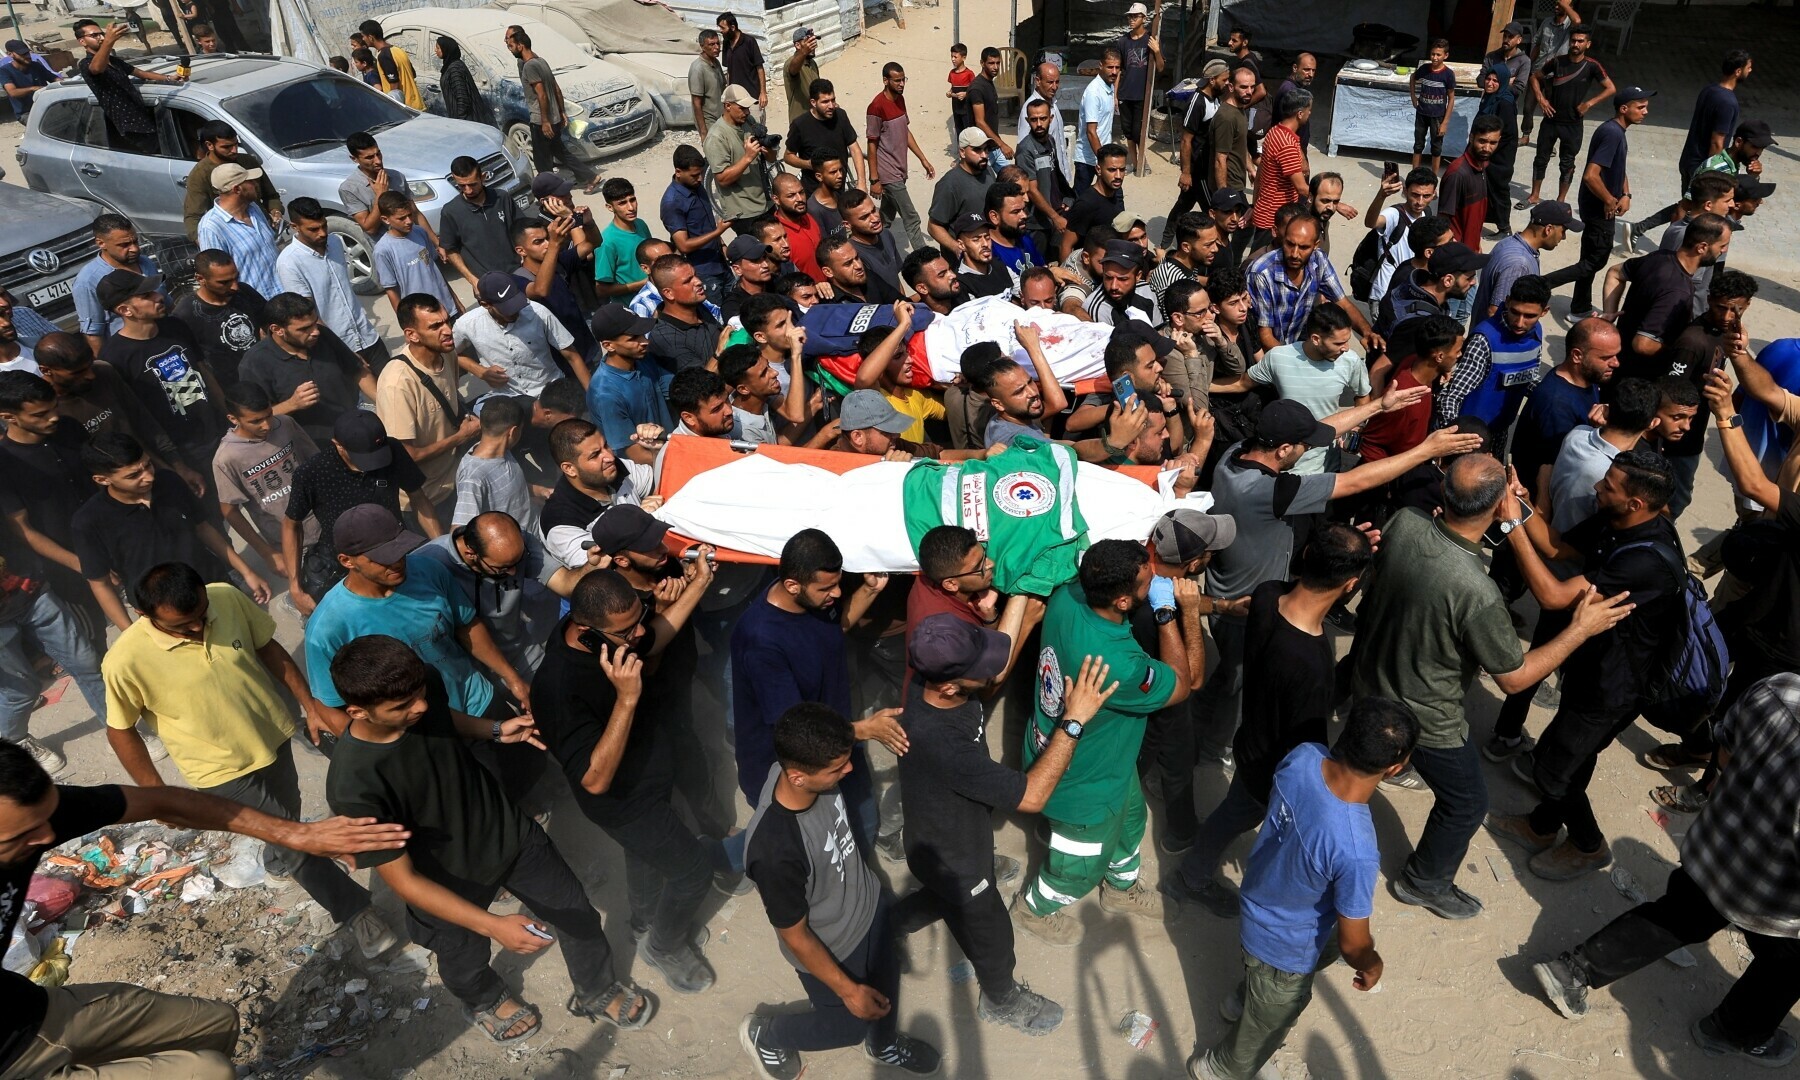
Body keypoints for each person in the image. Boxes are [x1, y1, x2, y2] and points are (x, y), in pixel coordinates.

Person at [0, 738, 406, 1080]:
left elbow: (164, 802)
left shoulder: (32, 818)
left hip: (35, 1012)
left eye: (48, 818)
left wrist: (295, 834)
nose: (49, 836)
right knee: (208, 1072)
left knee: (214, 1025)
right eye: (23, 835)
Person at [324, 633, 652, 1043]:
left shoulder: (421, 686)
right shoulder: (354, 785)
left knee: (576, 912)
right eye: (402, 707)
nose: (420, 706)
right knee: (464, 954)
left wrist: (493, 729)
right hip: (446, 879)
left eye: (420, 694)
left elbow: (441, 715)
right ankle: (483, 999)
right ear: (358, 711)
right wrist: (492, 925)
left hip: (509, 835)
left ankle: (597, 988)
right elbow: (404, 880)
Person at [1352, 454, 1633, 919]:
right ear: (1501, 501)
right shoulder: (1477, 592)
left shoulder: (1404, 522)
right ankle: (1424, 882)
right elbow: (1515, 677)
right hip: (1427, 716)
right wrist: (1579, 629)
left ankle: (1388, 769)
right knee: (1466, 803)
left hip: (1373, 680)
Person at [104, 561, 400, 956]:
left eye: (201, 616)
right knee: (294, 837)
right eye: (182, 625)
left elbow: (268, 648)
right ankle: (355, 910)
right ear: (143, 615)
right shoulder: (125, 660)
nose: (196, 628)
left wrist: (308, 705)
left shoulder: (226, 597)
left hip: (272, 736)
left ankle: (277, 861)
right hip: (218, 770)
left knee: (286, 816)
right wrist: (153, 792)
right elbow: (120, 730)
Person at [1528, 670, 1800, 1065]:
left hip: (1717, 847)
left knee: (1677, 915)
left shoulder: (1783, 689)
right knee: (1788, 963)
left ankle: (1572, 971)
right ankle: (1733, 1030)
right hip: (1773, 899)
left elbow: (1723, 753)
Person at [1195, 399, 1482, 767]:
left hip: (1227, 585)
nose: (1310, 448)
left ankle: (1206, 717)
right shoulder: (1273, 490)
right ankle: (1214, 746)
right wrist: (1427, 450)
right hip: (1244, 606)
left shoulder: (1236, 454)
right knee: (1238, 681)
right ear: (1284, 449)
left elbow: (1323, 429)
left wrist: (1379, 404)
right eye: (1303, 445)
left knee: (1230, 676)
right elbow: (1356, 480)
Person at [892, 614, 1110, 1035]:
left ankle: (892, 925)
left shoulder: (927, 679)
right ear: (953, 685)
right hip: (957, 857)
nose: (992, 671)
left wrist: (1023, 598)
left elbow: (996, 663)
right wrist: (1074, 719)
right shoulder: (942, 743)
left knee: (947, 894)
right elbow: (1032, 796)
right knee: (991, 933)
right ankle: (1000, 998)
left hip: (941, 833)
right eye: (981, 668)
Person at [1183, 699, 1419, 1080]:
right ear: (1394, 768)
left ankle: (1240, 1004)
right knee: (1272, 1018)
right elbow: (1353, 944)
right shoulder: (1356, 849)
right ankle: (1219, 1069)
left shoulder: (1305, 757)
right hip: (1284, 946)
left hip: (1260, 899)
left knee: (1261, 989)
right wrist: (1371, 965)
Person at [531, 559, 726, 995]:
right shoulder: (559, 686)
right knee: (693, 873)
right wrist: (627, 699)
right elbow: (595, 781)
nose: (638, 635)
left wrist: (699, 584)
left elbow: (654, 638)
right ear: (585, 630)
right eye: (626, 632)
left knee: (646, 857)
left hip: (651, 776)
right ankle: (664, 944)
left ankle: (643, 919)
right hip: (622, 801)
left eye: (637, 620)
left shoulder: (617, 634)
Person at [1491, 448, 1683, 880]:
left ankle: (1588, 845)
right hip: (1591, 664)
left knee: (1554, 768)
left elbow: (1554, 596)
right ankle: (1542, 826)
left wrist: (1507, 525)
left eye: (1608, 485)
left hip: (1614, 686)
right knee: (1574, 755)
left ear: (1635, 503)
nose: (1598, 487)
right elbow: (1557, 547)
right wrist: (1520, 505)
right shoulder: (1617, 518)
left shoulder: (1644, 558)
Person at [1166, 525, 1366, 916]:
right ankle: (1192, 876)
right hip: (1270, 769)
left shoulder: (1267, 593)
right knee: (1235, 816)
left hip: (1250, 738)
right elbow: (1306, 747)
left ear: (1306, 556)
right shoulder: (1312, 663)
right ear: (1351, 585)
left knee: (1234, 809)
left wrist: (1340, 548)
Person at [1010, 540, 1199, 944]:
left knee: (1131, 822)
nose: (1155, 576)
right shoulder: (1117, 664)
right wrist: (1170, 616)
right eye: (1149, 579)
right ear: (1124, 601)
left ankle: (1120, 889)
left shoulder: (1068, 594)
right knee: (1077, 863)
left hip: (1102, 762)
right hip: (1082, 780)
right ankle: (1035, 907)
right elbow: (1185, 683)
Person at [740, 702, 940, 1078]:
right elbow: (796, 936)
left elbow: (821, 739)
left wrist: (864, 729)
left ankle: (883, 1044)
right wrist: (848, 991)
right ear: (798, 777)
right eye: (837, 768)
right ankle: (769, 1034)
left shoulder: (798, 759)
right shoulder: (775, 852)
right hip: (833, 945)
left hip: (870, 906)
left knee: (887, 981)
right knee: (847, 1026)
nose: (848, 770)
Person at [730, 530, 901, 837]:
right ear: (792, 585)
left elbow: (835, 630)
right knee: (810, 847)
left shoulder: (813, 602)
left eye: (838, 583)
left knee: (862, 825)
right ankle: (718, 859)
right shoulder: (762, 643)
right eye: (827, 587)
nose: (836, 593)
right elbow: (796, 731)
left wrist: (869, 590)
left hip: (838, 740)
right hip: (796, 768)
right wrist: (865, 729)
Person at [72, 433, 269, 631]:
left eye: (148, 465)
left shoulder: (169, 481)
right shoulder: (89, 522)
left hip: (214, 587)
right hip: (167, 617)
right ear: (102, 479)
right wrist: (129, 633)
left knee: (252, 639)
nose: (149, 476)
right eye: (133, 475)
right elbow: (100, 583)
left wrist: (247, 572)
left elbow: (203, 528)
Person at [282, 411, 442, 612]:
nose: (374, 464)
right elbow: (291, 525)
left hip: (394, 549)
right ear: (338, 445)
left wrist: (439, 547)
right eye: (365, 457)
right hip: (346, 564)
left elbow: (418, 498)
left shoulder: (392, 450)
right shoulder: (312, 473)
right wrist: (295, 587)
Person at [94, 270, 228, 497]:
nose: (157, 297)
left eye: (154, 291)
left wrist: (228, 415)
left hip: (219, 432)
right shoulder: (114, 357)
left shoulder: (174, 326)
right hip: (184, 451)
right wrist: (175, 465)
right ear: (125, 310)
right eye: (146, 295)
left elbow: (203, 371)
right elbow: (136, 418)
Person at [0, 498, 106, 774]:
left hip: (30, 590)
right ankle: (15, 738)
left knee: (86, 662)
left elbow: (17, 522)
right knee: (20, 691)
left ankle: (122, 730)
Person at [1642, 269, 1758, 517]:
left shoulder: (1727, 332)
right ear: (1709, 301)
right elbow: (1668, 392)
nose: (1726, 316)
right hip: (1679, 439)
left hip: (1694, 430)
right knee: (1675, 500)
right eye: (1720, 308)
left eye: (1734, 309)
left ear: (1747, 305)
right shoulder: (1692, 342)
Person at [1548, 86, 1653, 320]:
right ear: (1624, 109)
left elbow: (1617, 166)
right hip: (1598, 210)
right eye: (1641, 107)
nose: (1646, 111)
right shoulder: (1612, 133)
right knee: (1595, 261)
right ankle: (1544, 283)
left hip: (1603, 205)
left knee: (1588, 260)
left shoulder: (1617, 131)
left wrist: (1626, 194)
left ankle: (1579, 308)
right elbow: (1590, 175)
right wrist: (1608, 199)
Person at [1633, 49, 1752, 242]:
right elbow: (1717, 141)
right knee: (1689, 209)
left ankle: (1643, 230)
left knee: (1688, 206)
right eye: (1749, 67)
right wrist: (1715, 173)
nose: (1751, 70)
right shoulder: (1728, 102)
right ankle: (1668, 248)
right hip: (1703, 165)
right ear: (1738, 71)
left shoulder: (1709, 90)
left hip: (1689, 159)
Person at [376, 292, 478, 512]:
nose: (448, 330)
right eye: (435, 326)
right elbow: (407, 456)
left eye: (447, 321)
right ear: (412, 335)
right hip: (428, 499)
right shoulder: (397, 384)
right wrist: (461, 436)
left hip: (458, 477)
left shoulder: (446, 353)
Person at [238, 291, 377, 446]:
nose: (315, 332)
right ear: (277, 330)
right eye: (304, 329)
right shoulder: (255, 363)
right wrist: (292, 404)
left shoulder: (323, 336)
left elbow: (358, 371)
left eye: (314, 323)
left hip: (357, 429)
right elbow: (254, 419)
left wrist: (383, 401)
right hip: (312, 447)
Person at [1249, 304, 1370, 474]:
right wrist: (1204, 385)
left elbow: (1363, 396)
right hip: (1283, 466)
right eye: (1339, 343)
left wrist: (1356, 428)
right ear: (1316, 339)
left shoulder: (1350, 361)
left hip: (1326, 467)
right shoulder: (1278, 357)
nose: (1346, 348)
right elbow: (1242, 383)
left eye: (1347, 341)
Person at [213, 381, 317, 578]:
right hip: (290, 544)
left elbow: (315, 461)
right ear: (233, 418)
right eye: (256, 421)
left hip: (323, 521)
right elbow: (229, 511)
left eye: (269, 414)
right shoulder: (226, 458)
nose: (266, 425)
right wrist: (267, 553)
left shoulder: (285, 424)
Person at [277, 198, 389, 375]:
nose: (322, 233)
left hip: (366, 335)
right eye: (313, 229)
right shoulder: (289, 263)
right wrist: (343, 351)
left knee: (392, 386)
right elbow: (307, 314)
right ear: (294, 227)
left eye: (324, 226)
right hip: (337, 345)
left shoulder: (335, 242)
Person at [1604, 213, 1730, 367]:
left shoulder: (1659, 257)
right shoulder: (1678, 291)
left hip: (1620, 356)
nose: (1724, 251)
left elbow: (1615, 273)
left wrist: (1609, 314)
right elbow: (1643, 344)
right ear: (1702, 247)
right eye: (1722, 245)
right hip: (1638, 374)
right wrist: (1679, 350)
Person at [1246, 213, 1379, 353]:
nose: (1295, 254)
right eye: (1290, 244)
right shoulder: (1262, 273)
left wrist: (1367, 332)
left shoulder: (1318, 260)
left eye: (1303, 247)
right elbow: (1265, 336)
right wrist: (1294, 364)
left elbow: (1343, 304)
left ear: (1315, 245)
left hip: (1293, 346)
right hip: (1263, 355)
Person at [1434, 274, 1551, 429]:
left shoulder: (1536, 332)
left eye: (1529, 316)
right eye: (1515, 312)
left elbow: (1527, 378)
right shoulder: (1483, 340)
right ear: (1508, 301)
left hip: (1501, 428)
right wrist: (1454, 437)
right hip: (1472, 435)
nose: (1520, 322)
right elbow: (1452, 396)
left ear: (1544, 311)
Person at [1523, 27, 1616, 213]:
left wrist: (1589, 104)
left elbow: (1611, 88)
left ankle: (1561, 200)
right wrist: (1541, 99)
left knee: (1567, 164)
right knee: (1540, 158)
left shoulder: (1592, 66)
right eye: (1573, 40)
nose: (1576, 44)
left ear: (1587, 44)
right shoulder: (1557, 62)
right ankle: (1534, 195)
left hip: (1573, 124)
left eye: (1580, 41)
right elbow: (1535, 77)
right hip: (1550, 120)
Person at [539, 419, 652, 570]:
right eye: (595, 455)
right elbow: (610, 569)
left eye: (606, 445)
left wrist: (657, 451)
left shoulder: (614, 469)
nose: (609, 457)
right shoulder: (561, 523)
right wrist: (645, 519)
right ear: (569, 469)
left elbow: (660, 483)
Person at [456, 272, 586, 398]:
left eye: (516, 303)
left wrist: (593, 395)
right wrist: (480, 371)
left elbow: (572, 356)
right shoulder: (467, 324)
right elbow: (450, 352)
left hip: (550, 391)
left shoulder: (538, 313)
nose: (515, 311)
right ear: (486, 305)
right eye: (507, 309)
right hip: (509, 398)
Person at [505, 26, 597, 192]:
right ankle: (589, 177)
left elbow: (542, 95)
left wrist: (545, 121)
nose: (509, 49)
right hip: (552, 116)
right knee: (560, 152)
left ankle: (548, 192)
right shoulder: (541, 61)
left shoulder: (529, 66)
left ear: (520, 46)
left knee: (542, 160)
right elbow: (556, 89)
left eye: (510, 45)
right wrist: (561, 112)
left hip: (541, 119)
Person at [71, 19, 181, 155]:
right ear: (82, 42)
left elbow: (141, 73)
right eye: (95, 35)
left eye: (102, 34)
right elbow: (97, 68)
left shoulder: (114, 61)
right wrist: (108, 42)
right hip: (130, 126)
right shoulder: (85, 63)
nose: (101, 38)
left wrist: (170, 78)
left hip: (144, 118)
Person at [866, 62, 936, 250]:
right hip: (889, 174)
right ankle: (925, 261)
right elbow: (871, 144)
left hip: (900, 169)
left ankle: (870, 250)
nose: (901, 84)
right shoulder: (876, 107)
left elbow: (905, 131)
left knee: (885, 219)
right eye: (897, 80)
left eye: (903, 80)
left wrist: (923, 159)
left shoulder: (900, 100)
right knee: (911, 218)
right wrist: (874, 179)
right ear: (885, 81)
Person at [172, 250, 266, 388]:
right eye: (224, 282)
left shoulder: (244, 292)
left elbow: (269, 322)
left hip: (266, 373)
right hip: (234, 388)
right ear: (200, 279)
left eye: (236, 278)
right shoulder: (185, 314)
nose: (234, 286)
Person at [1471, 201, 1578, 319]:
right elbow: (1495, 312)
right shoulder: (1518, 264)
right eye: (1563, 231)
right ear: (1548, 229)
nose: (1563, 237)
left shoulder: (1509, 242)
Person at [182, 121, 282, 243]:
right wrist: (207, 245)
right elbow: (193, 217)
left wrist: (276, 212)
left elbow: (271, 196)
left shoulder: (248, 162)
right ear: (210, 145)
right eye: (226, 147)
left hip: (265, 229)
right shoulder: (200, 174)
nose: (234, 150)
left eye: (236, 144)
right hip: (235, 238)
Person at [73, 215, 158, 356]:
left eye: (135, 242)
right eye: (124, 245)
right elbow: (93, 333)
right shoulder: (88, 281)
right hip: (130, 354)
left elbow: (166, 301)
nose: (134, 249)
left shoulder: (145, 263)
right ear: (101, 243)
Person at [196, 163, 281, 299]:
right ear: (237, 189)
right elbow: (217, 275)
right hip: (255, 304)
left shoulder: (253, 208)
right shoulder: (211, 227)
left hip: (282, 295)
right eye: (250, 182)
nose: (256, 185)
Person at [451, 397, 534, 532]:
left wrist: (540, 491)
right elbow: (459, 532)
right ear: (513, 432)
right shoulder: (473, 477)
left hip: (533, 534)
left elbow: (503, 488)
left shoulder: (504, 452)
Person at [439, 155, 523, 287]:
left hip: (517, 270)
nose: (468, 190)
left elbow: (521, 229)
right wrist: (473, 281)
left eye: (473, 184)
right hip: (485, 281)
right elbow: (450, 250)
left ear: (483, 177)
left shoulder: (501, 198)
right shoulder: (450, 212)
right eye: (462, 186)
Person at [1362, 167, 1440, 306]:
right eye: (1415, 195)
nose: (1420, 202)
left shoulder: (1426, 214)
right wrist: (1381, 195)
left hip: (1410, 294)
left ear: (1434, 194)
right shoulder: (1394, 214)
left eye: (1426, 196)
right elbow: (1370, 223)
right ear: (1405, 191)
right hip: (1386, 295)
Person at [662, 145, 732, 299]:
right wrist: (718, 232)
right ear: (678, 172)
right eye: (694, 175)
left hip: (720, 262)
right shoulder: (672, 202)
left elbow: (705, 225)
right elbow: (683, 245)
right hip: (703, 272)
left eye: (700, 173)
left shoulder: (697, 187)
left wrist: (722, 244)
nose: (700, 179)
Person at [376, 191, 460, 317]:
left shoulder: (420, 232)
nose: (409, 221)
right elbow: (391, 290)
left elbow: (435, 271)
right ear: (385, 219)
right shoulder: (383, 250)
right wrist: (407, 322)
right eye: (402, 218)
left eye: (410, 215)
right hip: (422, 317)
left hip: (447, 307)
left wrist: (456, 301)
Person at [706, 85, 777, 234]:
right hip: (744, 213)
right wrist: (748, 157)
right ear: (728, 106)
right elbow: (722, 179)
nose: (747, 112)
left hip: (765, 203)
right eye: (742, 108)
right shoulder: (716, 137)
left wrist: (768, 149)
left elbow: (771, 159)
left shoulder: (748, 122)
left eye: (748, 108)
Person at [1248, 90, 1311, 249]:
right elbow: (1302, 188)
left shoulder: (1275, 132)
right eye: (1309, 110)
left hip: (1266, 211)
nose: (1310, 114)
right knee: (1260, 262)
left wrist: (1255, 206)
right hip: (1274, 218)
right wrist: (1334, 204)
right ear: (1300, 113)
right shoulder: (1287, 144)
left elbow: (1260, 175)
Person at [644, 255, 725, 373]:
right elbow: (703, 386)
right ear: (668, 293)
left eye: (695, 275)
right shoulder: (665, 338)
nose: (698, 282)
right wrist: (721, 351)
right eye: (688, 281)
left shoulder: (698, 307)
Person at [786, 78, 867, 191]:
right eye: (825, 102)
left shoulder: (841, 116)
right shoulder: (800, 124)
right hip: (815, 192)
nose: (831, 106)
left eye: (833, 100)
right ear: (813, 102)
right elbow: (788, 156)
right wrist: (809, 164)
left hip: (839, 189)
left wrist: (862, 182)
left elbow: (855, 149)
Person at [1440, 115, 1504, 250]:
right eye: (1482, 141)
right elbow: (1443, 221)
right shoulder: (1457, 174)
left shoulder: (1483, 165)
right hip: (1459, 254)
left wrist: (1476, 243)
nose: (1487, 148)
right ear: (1471, 137)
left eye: (1493, 143)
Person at [1520, 0, 1579, 144]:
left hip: (1557, 75)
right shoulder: (1546, 22)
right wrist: (1528, 64)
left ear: (1569, 7)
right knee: (1528, 107)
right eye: (1557, 3)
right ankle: (1525, 135)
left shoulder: (1570, 26)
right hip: (1538, 71)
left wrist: (1565, 4)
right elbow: (1538, 44)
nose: (1557, 6)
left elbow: (1577, 20)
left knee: (1551, 111)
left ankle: (1549, 142)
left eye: (1561, 5)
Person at [929, 129, 998, 251]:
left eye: (986, 149)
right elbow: (934, 226)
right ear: (962, 152)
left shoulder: (988, 172)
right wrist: (958, 249)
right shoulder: (949, 184)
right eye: (977, 150)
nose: (984, 155)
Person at [1074, 48, 1121, 192]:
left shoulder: (1109, 85)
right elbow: (1091, 132)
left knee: (1114, 197)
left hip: (1102, 156)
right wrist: (1104, 160)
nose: (1114, 72)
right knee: (1079, 201)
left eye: (1117, 68)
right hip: (1088, 159)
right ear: (1100, 65)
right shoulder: (1094, 92)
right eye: (1110, 67)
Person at [1409, 39, 1456, 174]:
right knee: (1418, 146)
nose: (1435, 58)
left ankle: (1433, 178)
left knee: (1436, 148)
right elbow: (1413, 77)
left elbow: (1451, 98)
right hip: (1422, 114)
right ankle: (1414, 175)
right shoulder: (1424, 69)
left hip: (1437, 117)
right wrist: (1413, 97)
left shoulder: (1448, 74)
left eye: (1438, 55)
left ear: (1445, 56)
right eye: (1433, 54)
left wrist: (1445, 122)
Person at [356, 20, 423, 107]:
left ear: (371, 37)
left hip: (405, 109)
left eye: (363, 36)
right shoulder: (398, 50)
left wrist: (392, 108)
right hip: (417, 104)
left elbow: (394, 84)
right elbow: (413, 74)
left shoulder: (384, 56)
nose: (363, 39)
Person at [435, 35, 493, 126]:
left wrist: (460, 123)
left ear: (446, 49)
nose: (435, 50)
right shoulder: (451, 65)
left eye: (438, 48)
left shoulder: (455, 69)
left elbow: (462, 98)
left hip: (466, 121)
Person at [715, 14, 766, 116]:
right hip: (736, 99)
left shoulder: (749, 42)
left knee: (756, 129)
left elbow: (759, 67)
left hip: (752, 97)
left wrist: (763, 93)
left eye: (722, 28)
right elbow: (729, 70)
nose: (720, 30)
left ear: (733, 27)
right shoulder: (726, 43)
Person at [0, 39, 59, 122]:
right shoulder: (4, 71)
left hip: (47, 106)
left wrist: (64, 83)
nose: (27, 56)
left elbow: (54, 78)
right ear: (11, 54)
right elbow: (13, 92)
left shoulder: (35, 65)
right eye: (22, 54)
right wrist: (34, 88)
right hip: (27, 113)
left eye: (27, 53)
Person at [689, 29, 725, 140]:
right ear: (702, 46)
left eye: (718, 43)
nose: (717, 47)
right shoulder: (698, 69)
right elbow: (696, 103)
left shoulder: (715, 62)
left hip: (721, 118)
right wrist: (703, 131)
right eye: (711, 44)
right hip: (709, 121)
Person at [783, 26, 821, 123]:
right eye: (808, 42)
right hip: (800, 123)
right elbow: (793, 69)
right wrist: (804, 52)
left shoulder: (812, 63)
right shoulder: (791, 63)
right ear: (798, 45)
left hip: (815, 118)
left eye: (813, 41)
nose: (812, 45)